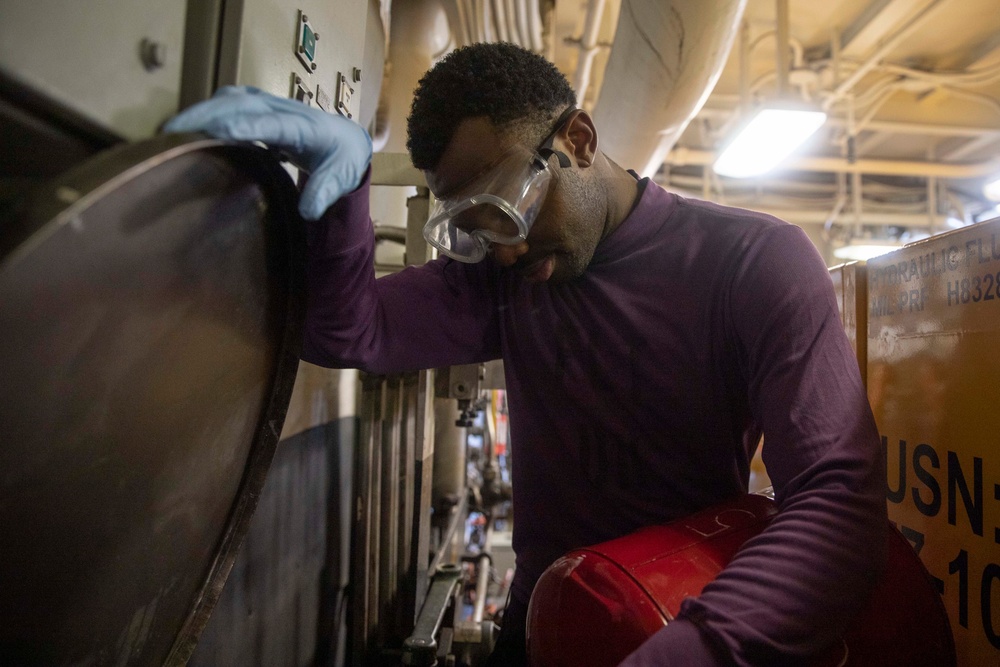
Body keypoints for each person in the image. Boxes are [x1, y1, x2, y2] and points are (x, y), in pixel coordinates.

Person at [166, 42, 886, 666]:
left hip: (681, 620)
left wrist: (692, 650)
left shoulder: (755, 264)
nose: (506, 250)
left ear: (576, 138)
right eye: (479, 231)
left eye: (512, 207)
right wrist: (347, 187)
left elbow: (835, 503)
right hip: (544, 626)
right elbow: (352, 331)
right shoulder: (507, 280)